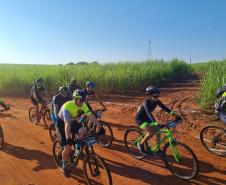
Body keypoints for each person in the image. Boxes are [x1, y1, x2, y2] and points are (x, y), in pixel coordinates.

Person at [57, 89, 104, 178]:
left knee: (83, 131)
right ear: (75, 99)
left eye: (84, 99)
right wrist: (68, 138)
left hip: (72, 121)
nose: (83, 102)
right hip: (62, 122)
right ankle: (64, 164)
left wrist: (99, 126)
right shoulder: (68, 106)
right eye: (81, 100)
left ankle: (77, 152)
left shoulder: (83, 105)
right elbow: (67, 123)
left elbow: (91, 116)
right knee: (67, 148)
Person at [135, 86, 180, 154]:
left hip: (147, 118)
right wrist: (155, 122)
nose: (157, 97)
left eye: (158, 95)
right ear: (149, 95)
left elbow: (165, 108)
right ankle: (140, 144)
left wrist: (176, 115)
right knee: (151, 132)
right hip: (140, 119)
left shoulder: (157, 101)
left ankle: (158, 149)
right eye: (155, 96)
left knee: (158, 131)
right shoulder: (145, 102)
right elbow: (148, 112)